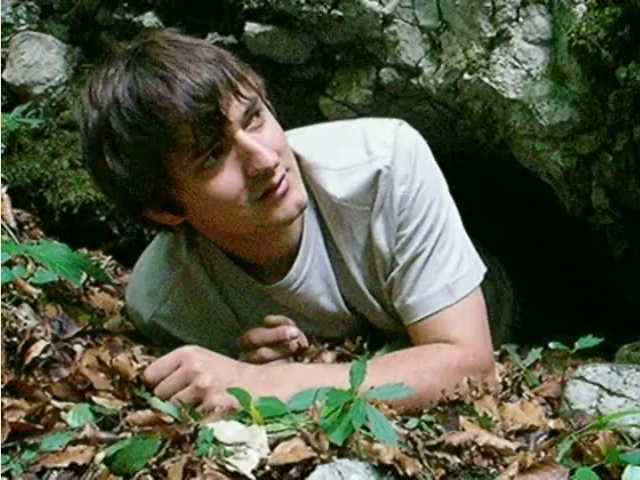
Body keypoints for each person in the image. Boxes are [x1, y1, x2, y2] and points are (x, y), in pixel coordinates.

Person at [79, 29, 495, 413]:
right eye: (214, 155)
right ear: (165, 210)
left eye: (254, 118)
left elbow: (471, 368)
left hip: (505, 295)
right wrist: (256, 364)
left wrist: (267, 383)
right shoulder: (165, 303)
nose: (264, 159)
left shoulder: (383, 163)